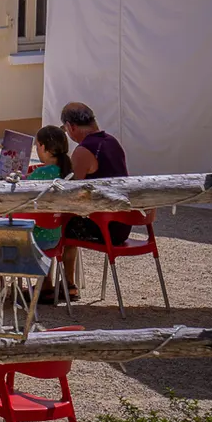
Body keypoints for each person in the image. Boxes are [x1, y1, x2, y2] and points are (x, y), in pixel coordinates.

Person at [58, 102, 132, 299]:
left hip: (103, 226)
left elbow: (72, 194)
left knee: (56, 223)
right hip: (124, 223)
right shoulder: (113, 142)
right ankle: (65, 283)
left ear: (71, 127)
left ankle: (63, 284)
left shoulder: (83, 151)